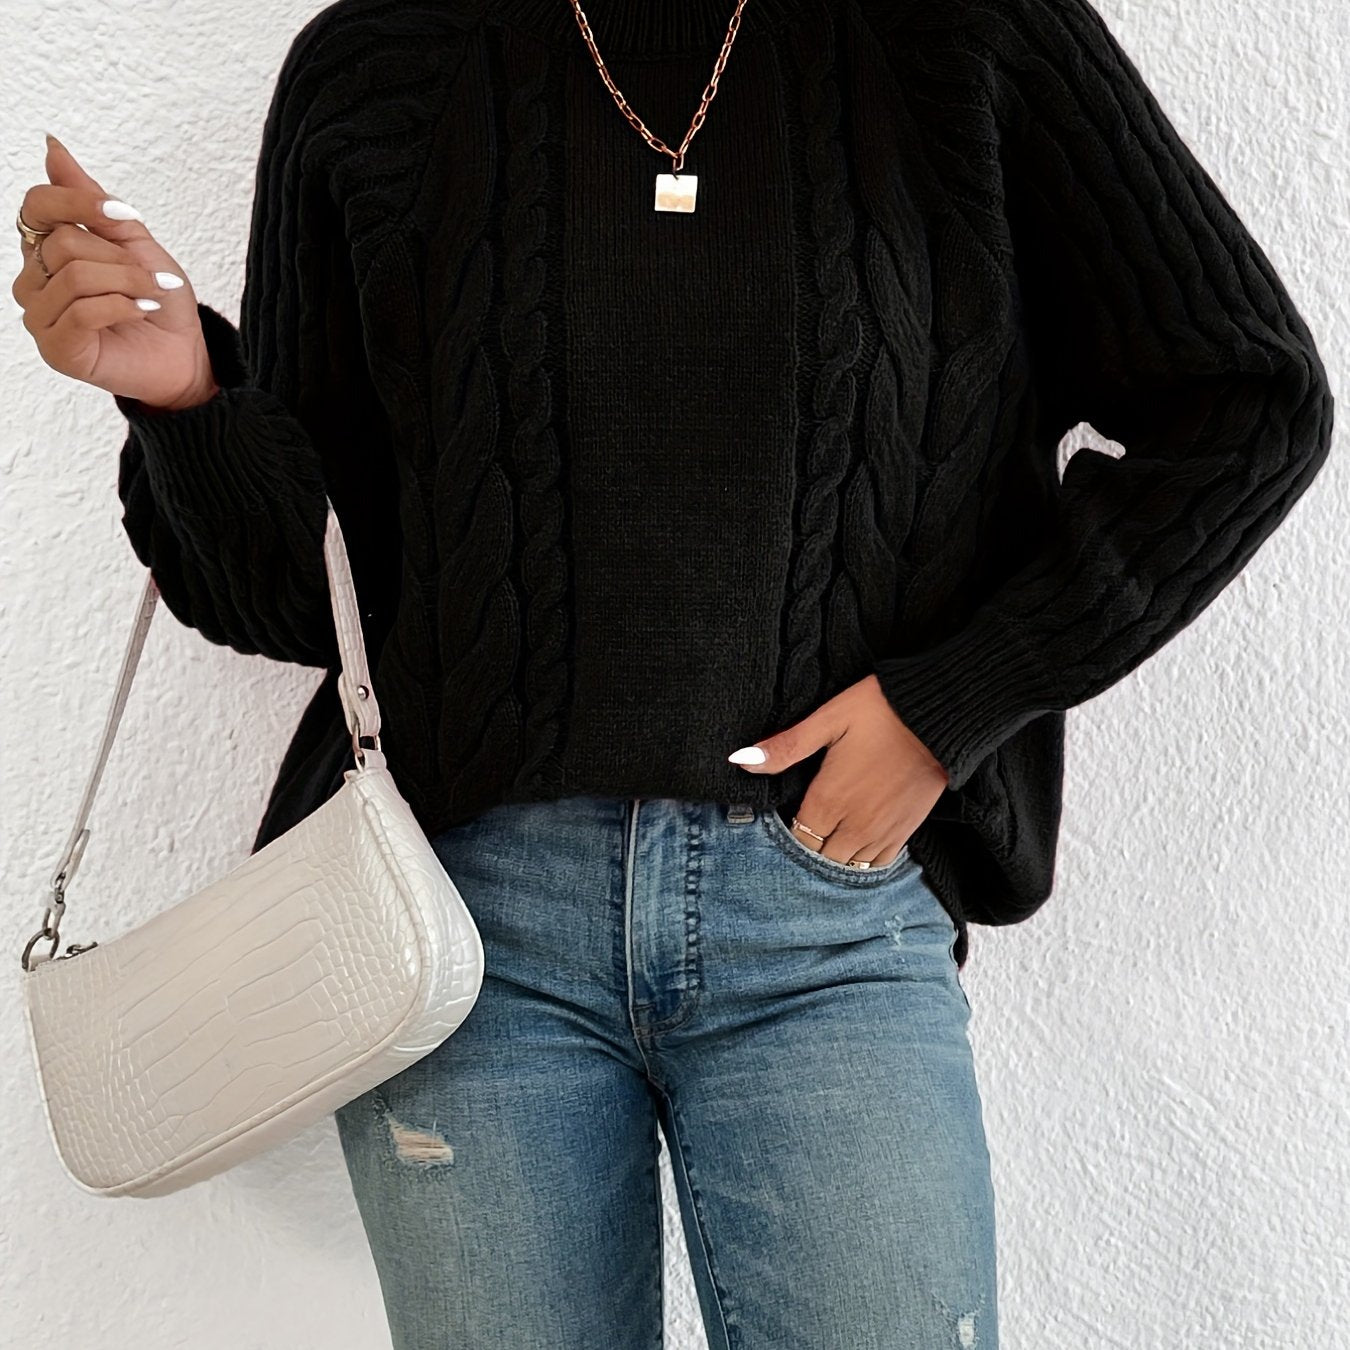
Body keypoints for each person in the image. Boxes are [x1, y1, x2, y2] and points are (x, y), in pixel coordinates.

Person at [12, 0, 1332, 1345]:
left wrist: (949, 705)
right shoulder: (380, 66)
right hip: (464, 941)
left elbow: (1248, 404)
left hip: (829, 923)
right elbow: (312, 599)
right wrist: (186, 400)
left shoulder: (968, 37)